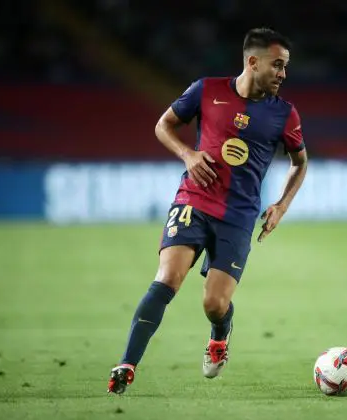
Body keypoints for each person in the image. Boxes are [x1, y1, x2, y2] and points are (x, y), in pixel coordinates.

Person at [107, 27, 308, 394]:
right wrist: (188, 153)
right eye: (277, 65)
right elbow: (163, 125)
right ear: (253, 61)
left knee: (215, 304)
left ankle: (220, 334)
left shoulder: (284, 114)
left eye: (285, 67)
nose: (283, 74)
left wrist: (281, 205)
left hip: (238, 216)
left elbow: (300, 162)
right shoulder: (206, 90)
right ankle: (126, 365)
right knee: (167, 279)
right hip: (193, 201)